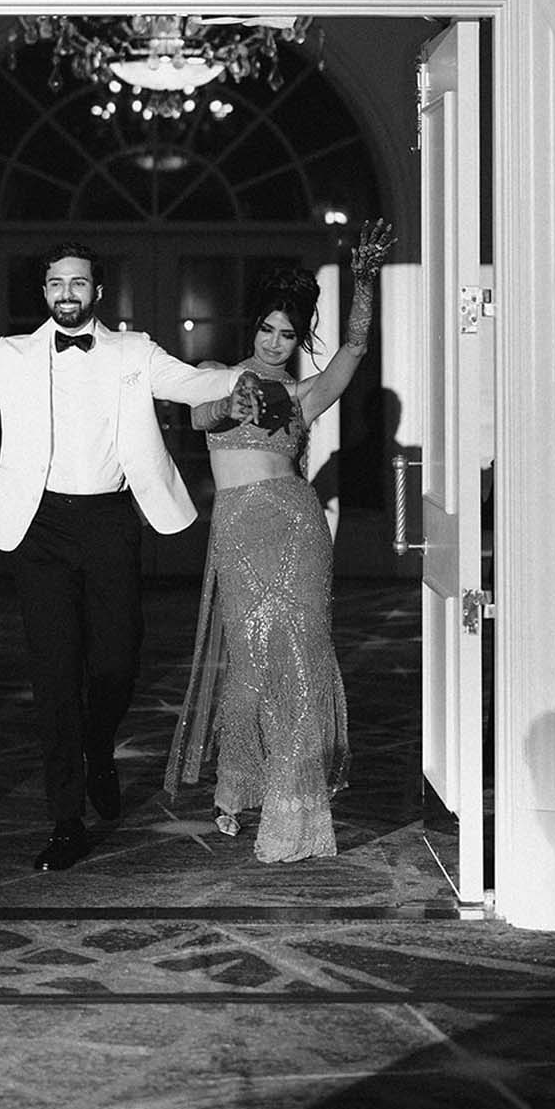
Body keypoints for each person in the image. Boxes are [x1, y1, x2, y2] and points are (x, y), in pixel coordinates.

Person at [0, 240, 253, 874]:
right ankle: (66, 820)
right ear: (44, 292)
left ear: (96, 291)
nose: (66, 293)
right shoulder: (12, 355)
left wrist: (242, 380)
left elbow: (191, 382)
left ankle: (99, 743)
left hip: (110, 523)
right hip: (40, 528)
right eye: (56, 283)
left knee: (118, 660)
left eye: (77, 283)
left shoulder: (133, 351)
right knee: (55, 675)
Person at [165, 219, 396, 863]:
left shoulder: (302, 395)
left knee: (299, 662)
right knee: (250, 661)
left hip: (297, 528)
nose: (274, 342)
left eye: (287, 334)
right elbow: (200, 414)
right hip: (240, 529)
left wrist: (364, 285)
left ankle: (295, 809)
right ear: (253, 328)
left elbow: (353, 351)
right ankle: (238, 788)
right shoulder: (215, 374)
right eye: (266, 329)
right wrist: (232, 402)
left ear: (298, 338)